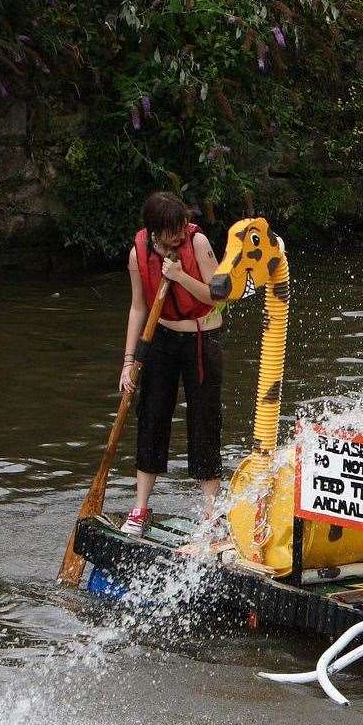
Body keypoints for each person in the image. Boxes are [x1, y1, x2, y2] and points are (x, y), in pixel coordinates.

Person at [119, 192, 224, 536]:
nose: (180, 234)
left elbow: (216, 295)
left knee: (204, 418)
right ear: (155, 231)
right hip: (161, 339)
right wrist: (128, 361)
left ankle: (211, 514)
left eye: (182, 226)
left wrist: (179, 276)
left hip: (200, 338)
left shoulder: (198, 243)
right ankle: (140, 508)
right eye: (172, 230)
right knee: (151, 415)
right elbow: (138, 308)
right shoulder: (138, 253)